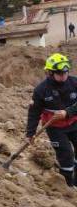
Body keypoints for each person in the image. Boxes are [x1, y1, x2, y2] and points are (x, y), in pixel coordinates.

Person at [26, 54, 77, 187]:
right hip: (55, 128)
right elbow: (34, 112)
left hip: (74, 123)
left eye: (66, 72)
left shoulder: (74, 82)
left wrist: (68, 112)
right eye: (60, 73)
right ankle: (67, 186)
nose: (64, 75)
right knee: (66, 154)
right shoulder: (41, 90)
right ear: (50, 72)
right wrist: (30, 133)